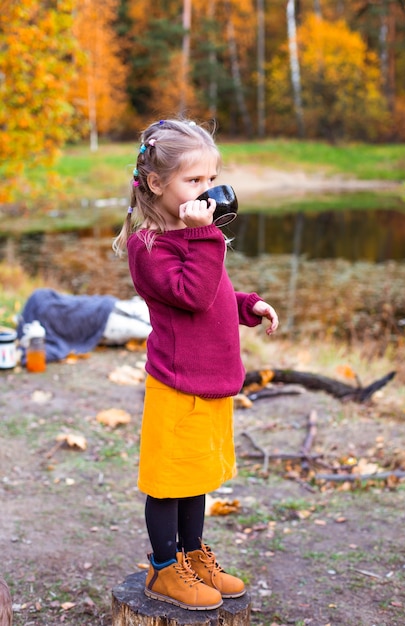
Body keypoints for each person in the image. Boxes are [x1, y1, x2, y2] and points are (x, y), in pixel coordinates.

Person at [113, 118, 279, 611]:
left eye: (211, 179)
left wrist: (248, 305)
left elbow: (216, 294)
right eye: (194, 181)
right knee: (169, 482)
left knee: (197, 479)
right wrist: (204, 236)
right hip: (179, 383)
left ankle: (192, 554)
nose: (208, 191)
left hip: (211, 382)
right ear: (158, 184)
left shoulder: (193, 236)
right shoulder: (151, 247)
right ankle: (165, 570)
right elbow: (192, 292)